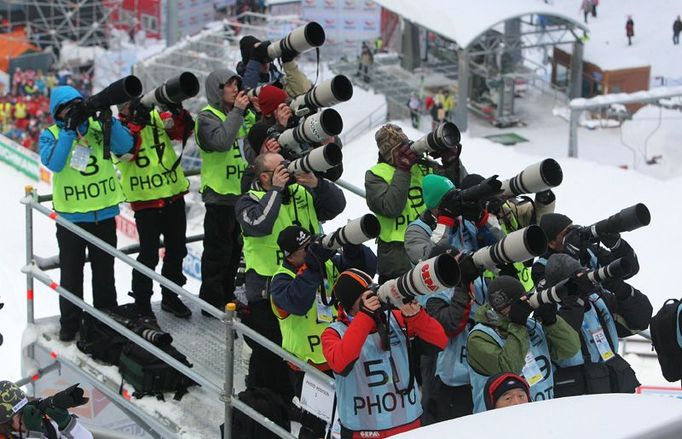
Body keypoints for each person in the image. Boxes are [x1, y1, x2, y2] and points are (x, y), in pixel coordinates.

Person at [235, 152, 345, 403]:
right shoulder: (248, 201)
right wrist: (276, 190)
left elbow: (337, 206)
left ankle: (296, 400)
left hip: (308, 283)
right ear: (265, 176)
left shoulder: (301, 192)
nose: (288, 169)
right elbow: (259, 224)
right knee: (269, 352)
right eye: (280, 168)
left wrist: (317, 183)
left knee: (296, 348)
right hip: (267, 288)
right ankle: (266, 404)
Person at [39, 85, 134, 342]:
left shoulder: (96, 127)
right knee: (72, 275)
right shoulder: (51, 134)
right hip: (71, 220)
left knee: (105, 274)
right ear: (57, 112)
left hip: (103, 215)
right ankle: (70, 325)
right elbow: (55, 164)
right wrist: (69, 131)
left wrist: (108, 121)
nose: (77, 111)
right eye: (69, 107)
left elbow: (126, 146)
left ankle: (106, 321)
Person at [269, 226, 376, 439]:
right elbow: (298, 302)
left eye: (312, 245)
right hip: (309, 366)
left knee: (352, 420)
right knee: (316, 426)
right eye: (305, 248)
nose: (310, 251)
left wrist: (352, 247)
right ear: (290, 254)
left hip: (342, 357)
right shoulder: (279, 281)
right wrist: (312, 267)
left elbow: (365, 271)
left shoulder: (327, 264)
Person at [322, 269, 448, 438]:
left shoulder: (394, 318)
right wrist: (366, 316)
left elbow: (439, 341)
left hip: (411, 425)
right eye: (366, 296)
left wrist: (417, 316)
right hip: (363, 432)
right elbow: (341, 363)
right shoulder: (334, 333)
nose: (375, 298)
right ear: (351, 304)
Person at [116, 99, 194, 318]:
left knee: (177, 249)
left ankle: (171, 296)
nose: (132, 106)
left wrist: (177, 111)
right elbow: (127, 151)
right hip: (146, 201)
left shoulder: (156, 118)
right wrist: (136, 124)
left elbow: (180, 132)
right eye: (128, 103)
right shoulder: (116, 129)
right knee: (149, 255)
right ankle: (142, 303)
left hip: (172, 195)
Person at [364, 124, 464, 283]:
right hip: (398, 259)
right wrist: (403, 169)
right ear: (389, 153)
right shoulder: (376, 175)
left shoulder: (424, 166)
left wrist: (451, 162)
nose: (406, 150)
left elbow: (456, 191)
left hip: (435, 243)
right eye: (399, 148)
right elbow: (390, 207)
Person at [466, 276, 580, 412]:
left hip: (541, 412)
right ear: (501, 307)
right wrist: (517, 325)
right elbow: (508, 371)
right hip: (500, 422)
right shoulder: (479, 337)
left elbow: (570, 351)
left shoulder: (531, 325)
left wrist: (552, 322)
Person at [544, 253, 652, 397]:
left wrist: (620, 288)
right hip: (576, 397)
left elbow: (640, 320)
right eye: (576, 281)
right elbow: (563, 340)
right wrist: (575, 299)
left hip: (612, 386)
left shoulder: (597, 301)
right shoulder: (548, 314)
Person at [195, 69, 256, 314]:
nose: (235, 89)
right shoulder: (206, 117)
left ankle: (227, 296)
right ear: (216, 89)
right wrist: (239, 112)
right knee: (217, 252)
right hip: (219, 196)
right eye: (229, 85)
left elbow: (252, 145)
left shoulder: (241, 114)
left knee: (234, 251)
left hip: (240, 195)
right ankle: (210, 301)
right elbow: (220, 142)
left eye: (236, 84)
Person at [532, 212, 640, 287]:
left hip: (606, 310)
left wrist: (618, 245)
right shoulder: (540, 267)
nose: (573, 234)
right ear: (551, 243)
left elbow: (630, 270)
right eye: (567, 232)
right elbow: (559, 296)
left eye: (573, 228)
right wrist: (571, 257)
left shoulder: (588, 250)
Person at [0, 381, 92, 439]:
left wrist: (68, 425)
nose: (28, 414)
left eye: (28, 407)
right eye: (21, 413)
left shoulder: (49, 427)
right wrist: (34, 435)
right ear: (7, 424)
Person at [237, 35, 311, 97]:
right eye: (260, 61)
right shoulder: (237, 83)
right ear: (250, 63)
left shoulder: (279, 80)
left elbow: (303, 92)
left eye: (267, 59)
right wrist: (255, 61)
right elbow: (246, 96)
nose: (265, 63)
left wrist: (289, 62)